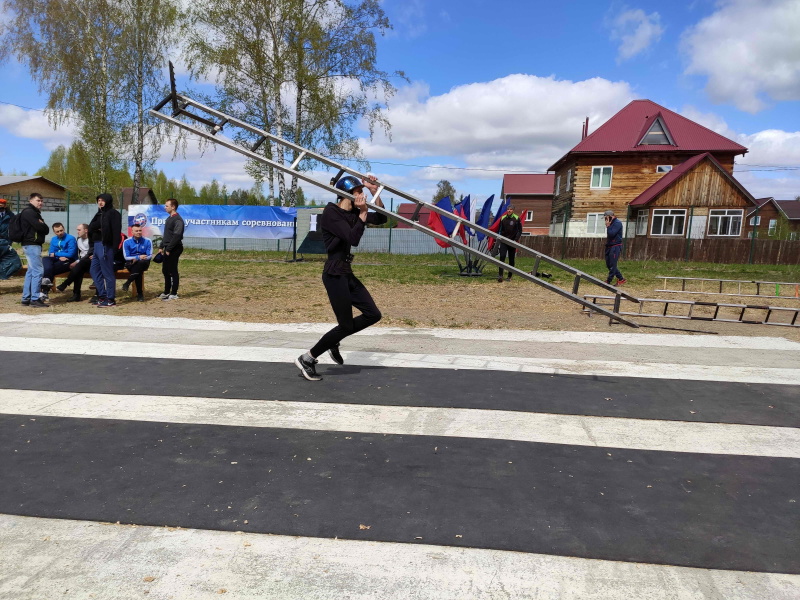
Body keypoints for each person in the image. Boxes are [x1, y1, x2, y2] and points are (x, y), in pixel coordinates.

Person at [295, 175, 386, 381]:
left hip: (346, 271)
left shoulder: (354, 211)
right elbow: (353, 239)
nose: (361, 196)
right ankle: (307, 358)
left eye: (363, 192)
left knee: (373, 314)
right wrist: (363, 214)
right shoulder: (331, 213)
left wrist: (375, 192)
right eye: (359, 192)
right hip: (334, 274)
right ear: (348, 193)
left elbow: (382, 218)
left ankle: (333, 341)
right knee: (344, 326)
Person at [87, 193, 122, 307]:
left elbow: (116, 232)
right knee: (94, 271)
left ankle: (111, 299)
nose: (100, 202)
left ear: (108, 201)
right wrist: (98, 228)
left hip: (106, 245)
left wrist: (115, 247)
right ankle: (102, 296)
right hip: (96, 245)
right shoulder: (99, 214)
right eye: (98, 200)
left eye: (102, 200)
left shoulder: (113, 214)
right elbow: (91, 228)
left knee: (107, 273)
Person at [19, 193, 50, 307]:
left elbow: (44, 228)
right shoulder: (30, 212)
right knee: (38, 271)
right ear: (31, 200)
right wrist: (42, 224)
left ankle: (26, 298)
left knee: (31, 271)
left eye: (42, 201)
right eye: (38, 200)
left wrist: (42, 225)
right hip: (32, 244)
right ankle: (35, 298)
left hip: (31, 244)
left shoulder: (33, 212)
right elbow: (43, 228)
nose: (40, 203)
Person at [54, 223, 92, 302]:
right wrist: (76, 261)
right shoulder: (78, 239)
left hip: (91, 262)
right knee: (78, 270)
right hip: (82, 263)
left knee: (79, 266)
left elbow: (89, 254)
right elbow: (80, 255)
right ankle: (76, 295)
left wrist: (78, 261)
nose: (77, 232)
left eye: (79, 230)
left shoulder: (92, 240)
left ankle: (66, 283)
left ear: (86, 230)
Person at [40, 222, 78, 299]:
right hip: (57, 259)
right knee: (45, 258)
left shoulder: (70, 238)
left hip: (69, 261)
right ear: (54, 232)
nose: (60, 233)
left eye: (61, 230)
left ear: (64, 229)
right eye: (57, 231)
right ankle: (46, 280)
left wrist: (56, 254)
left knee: (49, 269)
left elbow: (70, 254)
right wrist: (58, 256)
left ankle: (44, 292)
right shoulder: (54, 239)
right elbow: (51, 253)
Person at [157, 198, 184, 301]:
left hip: (174, 248)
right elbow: (167, 235)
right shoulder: (169, 218)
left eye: (167, 206)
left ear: (173, 207)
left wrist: (169, 248)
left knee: (173, 270)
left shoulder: (178, 220)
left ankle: (174, 293)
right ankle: (166, 291)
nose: (165, 207)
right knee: (165, 270)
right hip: (168, 247)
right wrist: (161, 246)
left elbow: (177, 236)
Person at [122, 224, 152, 302]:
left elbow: (149, 256)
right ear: (132, 232)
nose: (139, 232)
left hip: (144, 262)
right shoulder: (126, 242)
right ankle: (140, 294)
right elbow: (126, 257)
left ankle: (128, 282)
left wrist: (139, 259)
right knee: (138, 271)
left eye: (140, 230)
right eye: (136, 231)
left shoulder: (147, 241)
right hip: (131, 263)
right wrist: (138, 257)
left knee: (140, 264)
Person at [497, 203, 522, 282]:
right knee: (502, 257)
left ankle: (509, 276)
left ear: (513, 210)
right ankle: (500, 275)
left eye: (511, 209)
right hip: (504, 241)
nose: (509, 210)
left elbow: (519, 230)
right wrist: (499, 237)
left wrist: (516, 239)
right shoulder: (503, 218)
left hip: (512, 241)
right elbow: (500, 229)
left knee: (511, 259)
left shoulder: (517, 218)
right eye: (508, 209)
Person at [0, 198, 22, 280]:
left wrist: (10, 240)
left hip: (6, 242)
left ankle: (3, 276)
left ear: (5, 206)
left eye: (2, 206)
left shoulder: (11, 216)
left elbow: (14, 228)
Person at [604, 209, 626, 286]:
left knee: (613, 264)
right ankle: (621, 278)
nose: (605, 220)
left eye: (606, 218)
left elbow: (611, 234)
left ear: (611, 217)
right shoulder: (611, 223)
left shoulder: (617, 223)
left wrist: (608, 226)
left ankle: (609, 280)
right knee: (608, 264)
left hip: (615, 246)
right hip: (609, 245)